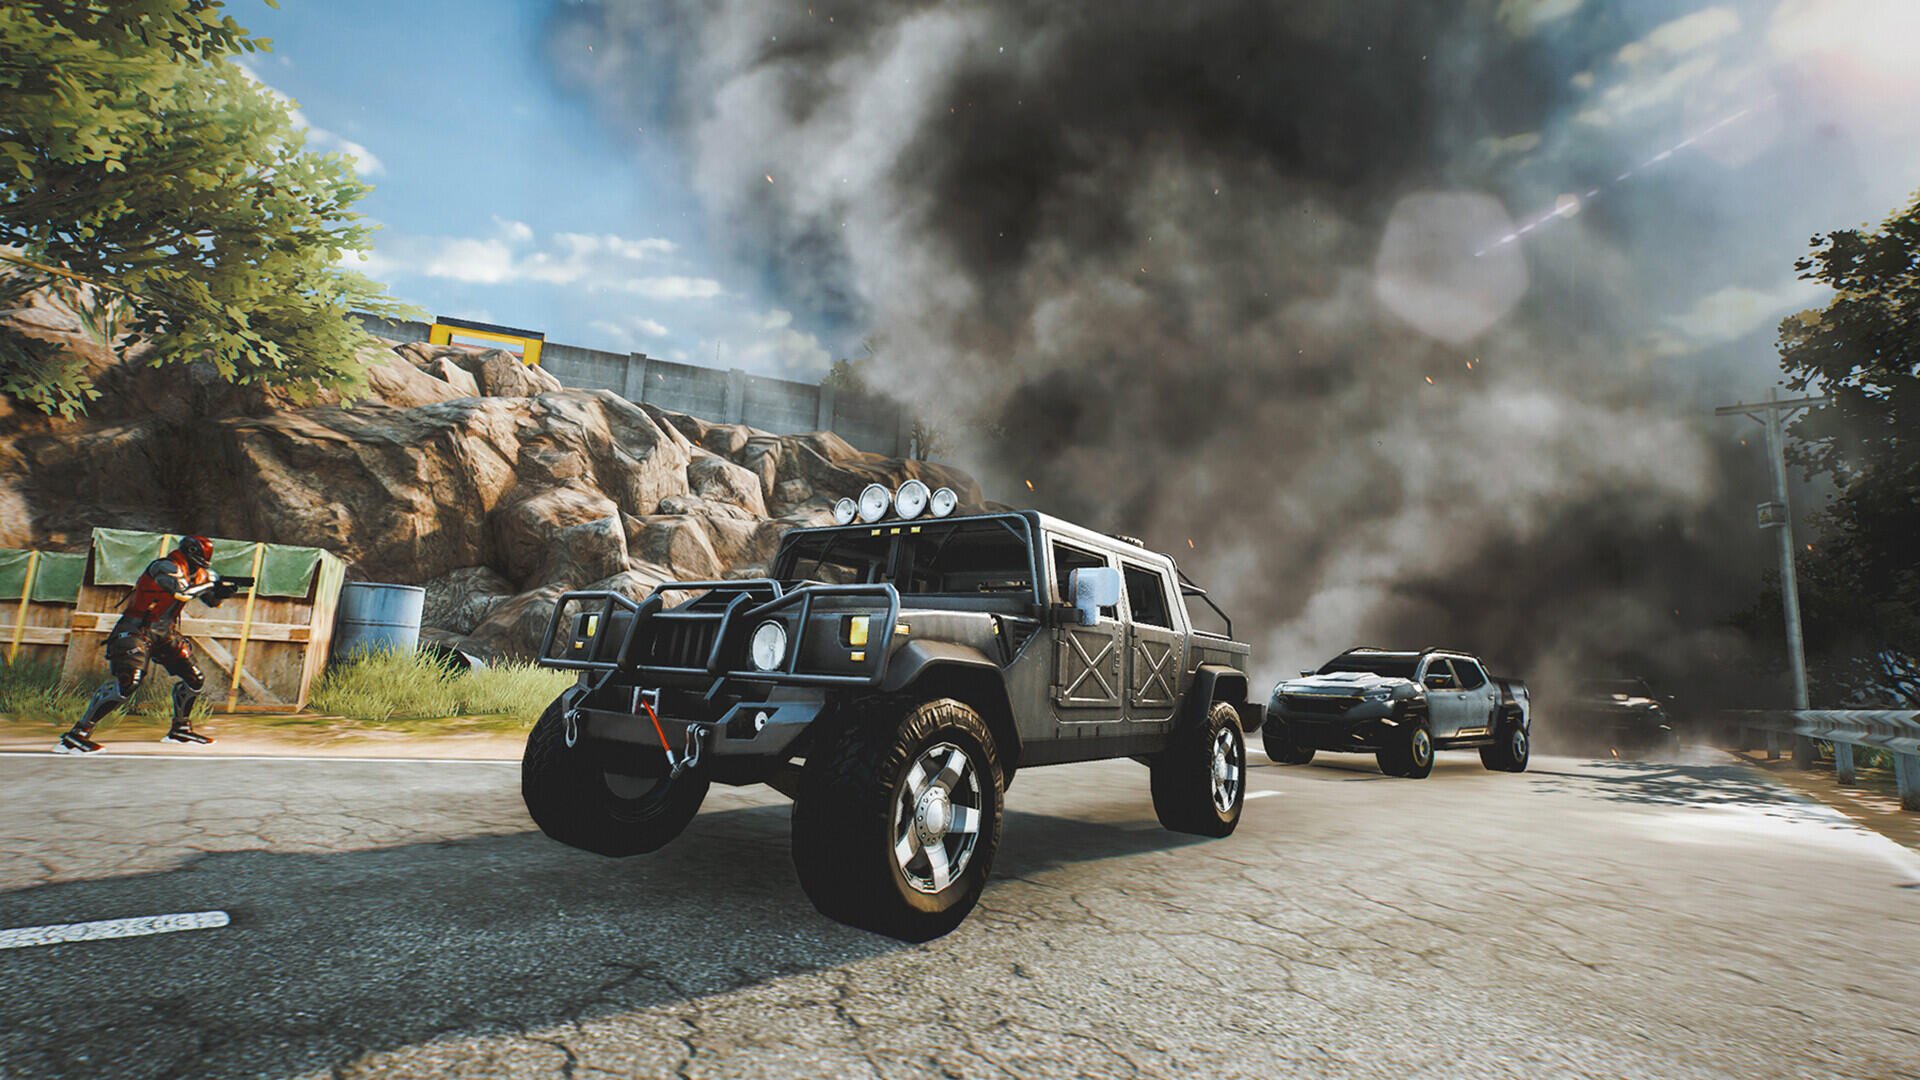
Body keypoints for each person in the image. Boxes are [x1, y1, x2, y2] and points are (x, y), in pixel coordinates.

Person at [55, 535, 245, 755]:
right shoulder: (164, 567)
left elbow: (211, 601)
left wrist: (221, 594)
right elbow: (181, 593)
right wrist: (211, 584)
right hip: (136, 629)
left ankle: (180, 729)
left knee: (194, 679)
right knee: (128, 682)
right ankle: (76, 735)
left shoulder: (201, 574)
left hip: (165, 633)